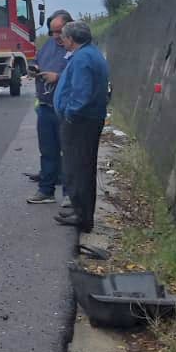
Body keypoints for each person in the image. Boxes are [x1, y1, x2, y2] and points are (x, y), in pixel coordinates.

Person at [53, 20, 109, 233]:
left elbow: (81, 93)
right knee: (81, 167)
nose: (62, 41)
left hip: (81, 122)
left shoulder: (83, 58)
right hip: (87, 119)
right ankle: (80, 210)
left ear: (71, 39)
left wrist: (69, 114)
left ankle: (83, 216)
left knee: (78, 168)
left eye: (64, 37)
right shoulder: (89, 53)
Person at [27, 11, 72, 204]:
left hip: (64, 110)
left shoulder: (75, 50)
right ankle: (46, 191)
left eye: (59, 32)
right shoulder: (49, 45)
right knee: (47, 151)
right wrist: (34, 68)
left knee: (69, 153)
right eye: (52, 32)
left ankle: (70, 196)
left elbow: (79, 76)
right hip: (45, 107)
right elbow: (37, 59)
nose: (55, 36)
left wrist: (58, 77)